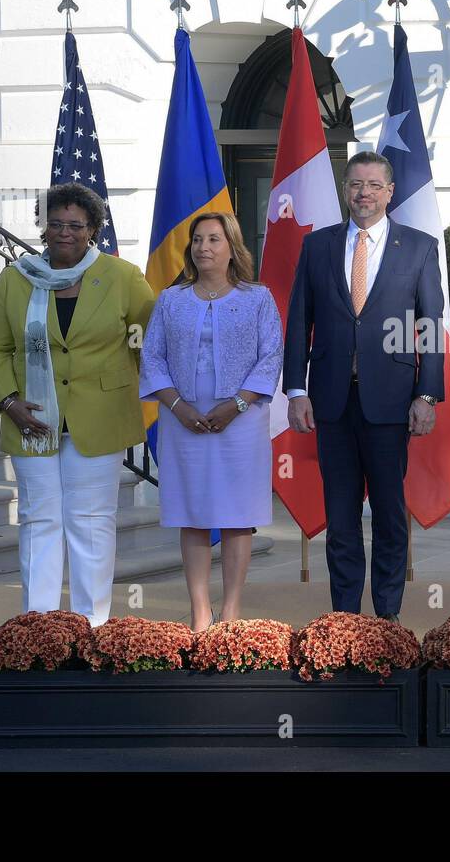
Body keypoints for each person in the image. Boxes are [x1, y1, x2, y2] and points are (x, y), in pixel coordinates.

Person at [0, 182, 155, 627]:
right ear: (44, 228)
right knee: (39, 519)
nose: (64, 233)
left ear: (92, 229)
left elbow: (149, 340)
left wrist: (124, 385)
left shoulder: (122, 276)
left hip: (100, 419)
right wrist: (8, 400)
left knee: (92, 521)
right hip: (31, 419)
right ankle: (38, 627)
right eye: (55, 224)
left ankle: (90, 625)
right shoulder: (16, 277)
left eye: (75, 225)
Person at [284, 150, 444, 623]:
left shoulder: (417, 247)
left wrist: (427, 393)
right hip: (331, 402)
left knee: (391, 517)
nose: (364, 193)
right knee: (341, 518)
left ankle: (387, 619)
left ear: (390, 192)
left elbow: (431, 326)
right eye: (356, 184)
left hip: (392, 402)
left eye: (374, 185)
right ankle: (345, 620)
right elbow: (299, 321)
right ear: (345, 190)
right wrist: (296, 390)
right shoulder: (318, 246)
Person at [140, 212, 282, 631]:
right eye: (198, 239)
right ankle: (201, 611)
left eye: (214, 239)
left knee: (238, 513)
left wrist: (236, 404)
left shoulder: (258, 298)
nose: (204, 247)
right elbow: (151, 356)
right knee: (194, 511)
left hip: (241, 419)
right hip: (182, 419)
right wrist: (178, 406)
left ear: (231, 247)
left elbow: (271, 355)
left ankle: (233, 608)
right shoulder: (171, 299)